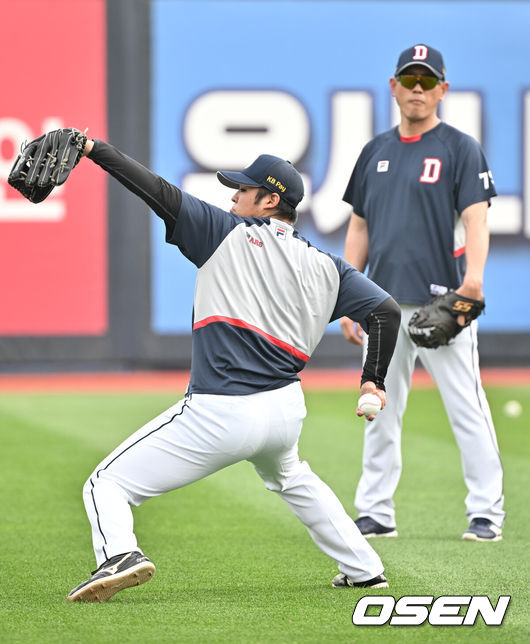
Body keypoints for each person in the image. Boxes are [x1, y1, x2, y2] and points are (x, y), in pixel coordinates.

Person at [66, 138, 401, 602]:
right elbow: (386, 312)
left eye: (242, 190)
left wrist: (92, 149)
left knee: (107, 482)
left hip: (221, 410)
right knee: (292, 477)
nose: (232, 197)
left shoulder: (225, 231)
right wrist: (374, 379)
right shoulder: (330, 267)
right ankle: (364, 568)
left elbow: (155, 190)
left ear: (269, 201)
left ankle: (120, 554)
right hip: (284, 412)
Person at [341, 43, 505, 543]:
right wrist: (348, 294)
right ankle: (374, 511)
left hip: (442, 302)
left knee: (467, 410)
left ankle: (485, 513)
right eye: (409, 79)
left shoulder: (459, 147)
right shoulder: (375, 152)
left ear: (442, 89)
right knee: (378, 408)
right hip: (382, 306)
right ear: (393, 86)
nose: (417, 88)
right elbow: (359, 227)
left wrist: (473, 280)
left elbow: (477, 219)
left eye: (427, 80)